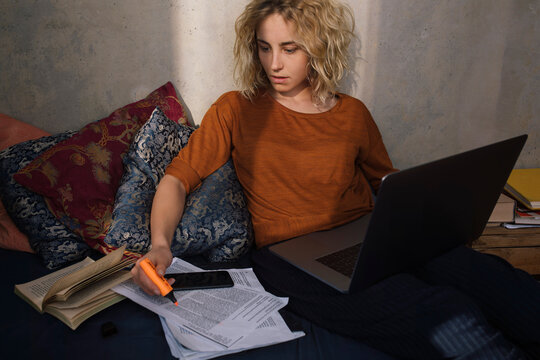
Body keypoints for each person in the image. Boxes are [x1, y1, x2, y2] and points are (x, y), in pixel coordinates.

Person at [131, 1, 540, 359]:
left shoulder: (352, 113)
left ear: (318, 46)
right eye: (264, 47)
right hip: (290, 259)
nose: (273, 63)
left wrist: (438, 218)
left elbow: (390, 186)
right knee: (445, 312)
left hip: (374, 238)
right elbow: (177, 180)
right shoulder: (236, 109)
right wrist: (160, 245)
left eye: (289, 48)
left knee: (498, 283)